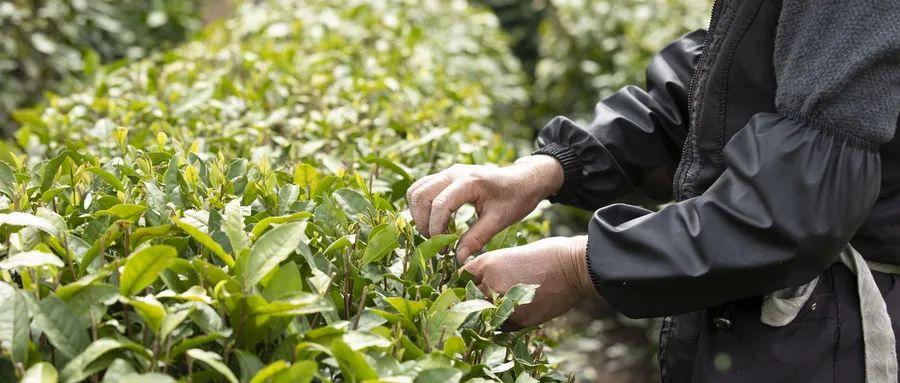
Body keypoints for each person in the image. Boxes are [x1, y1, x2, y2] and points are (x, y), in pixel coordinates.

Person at [407, 0, 899, 381]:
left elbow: (797, 207)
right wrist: (551, 166)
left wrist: (578, 267)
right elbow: (725, 84)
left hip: (835, 336)